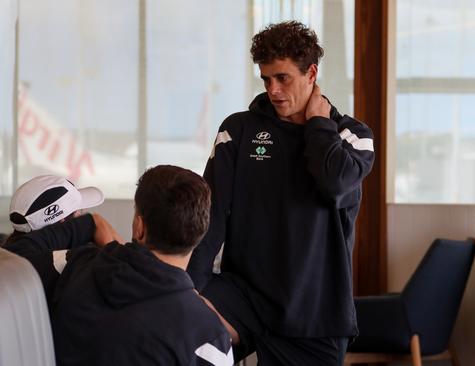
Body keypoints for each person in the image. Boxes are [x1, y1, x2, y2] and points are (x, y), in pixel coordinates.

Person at [187, 21, 375, 365]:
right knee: (179, 330)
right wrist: (186, 290)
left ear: (311, 73)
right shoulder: (238, 131)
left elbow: (334, 185)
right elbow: (211, 215)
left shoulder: (352, 136)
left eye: (283, 78)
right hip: (243, 296)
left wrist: (319, 125)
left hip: (314, 312)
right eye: (266, 79)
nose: (273, 90)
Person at [8, 166, 233, 365]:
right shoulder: (209, 334)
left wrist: (91, 224)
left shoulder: (74, 266)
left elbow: (13, 262)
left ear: (139, 227)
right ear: (201, 233)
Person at [3, 175, 107, 302]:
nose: (82, 214)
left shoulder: (8, 255)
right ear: (64, 226)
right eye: (78, 212)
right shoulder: (68, 273)